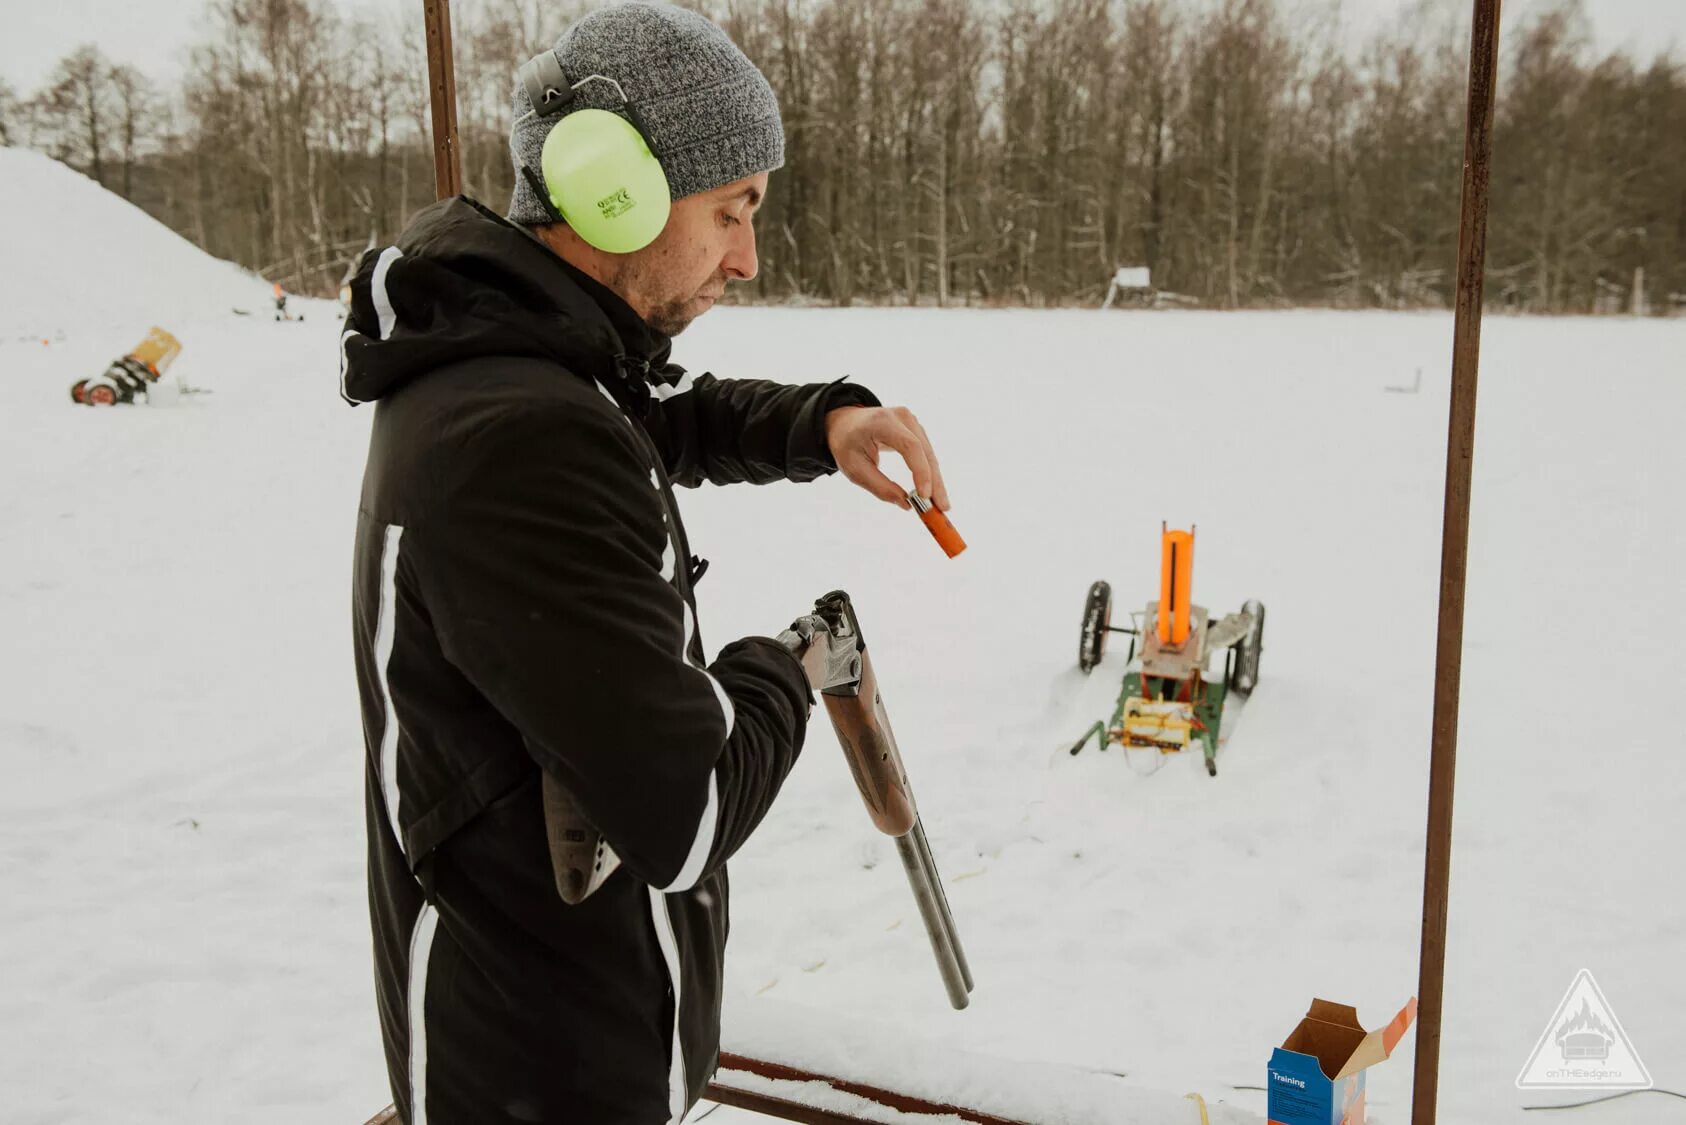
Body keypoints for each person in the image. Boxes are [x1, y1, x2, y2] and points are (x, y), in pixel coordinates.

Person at [340, 3, 950, 1122]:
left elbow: (662, 414)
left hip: (557, 1024)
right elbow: (691, 811)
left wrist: (823, 423)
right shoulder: (521, 434)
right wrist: (790, 661)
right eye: (732, 210)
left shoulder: (525, 359)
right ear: (610, 186)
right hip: (539, 1068)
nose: (749, 257)